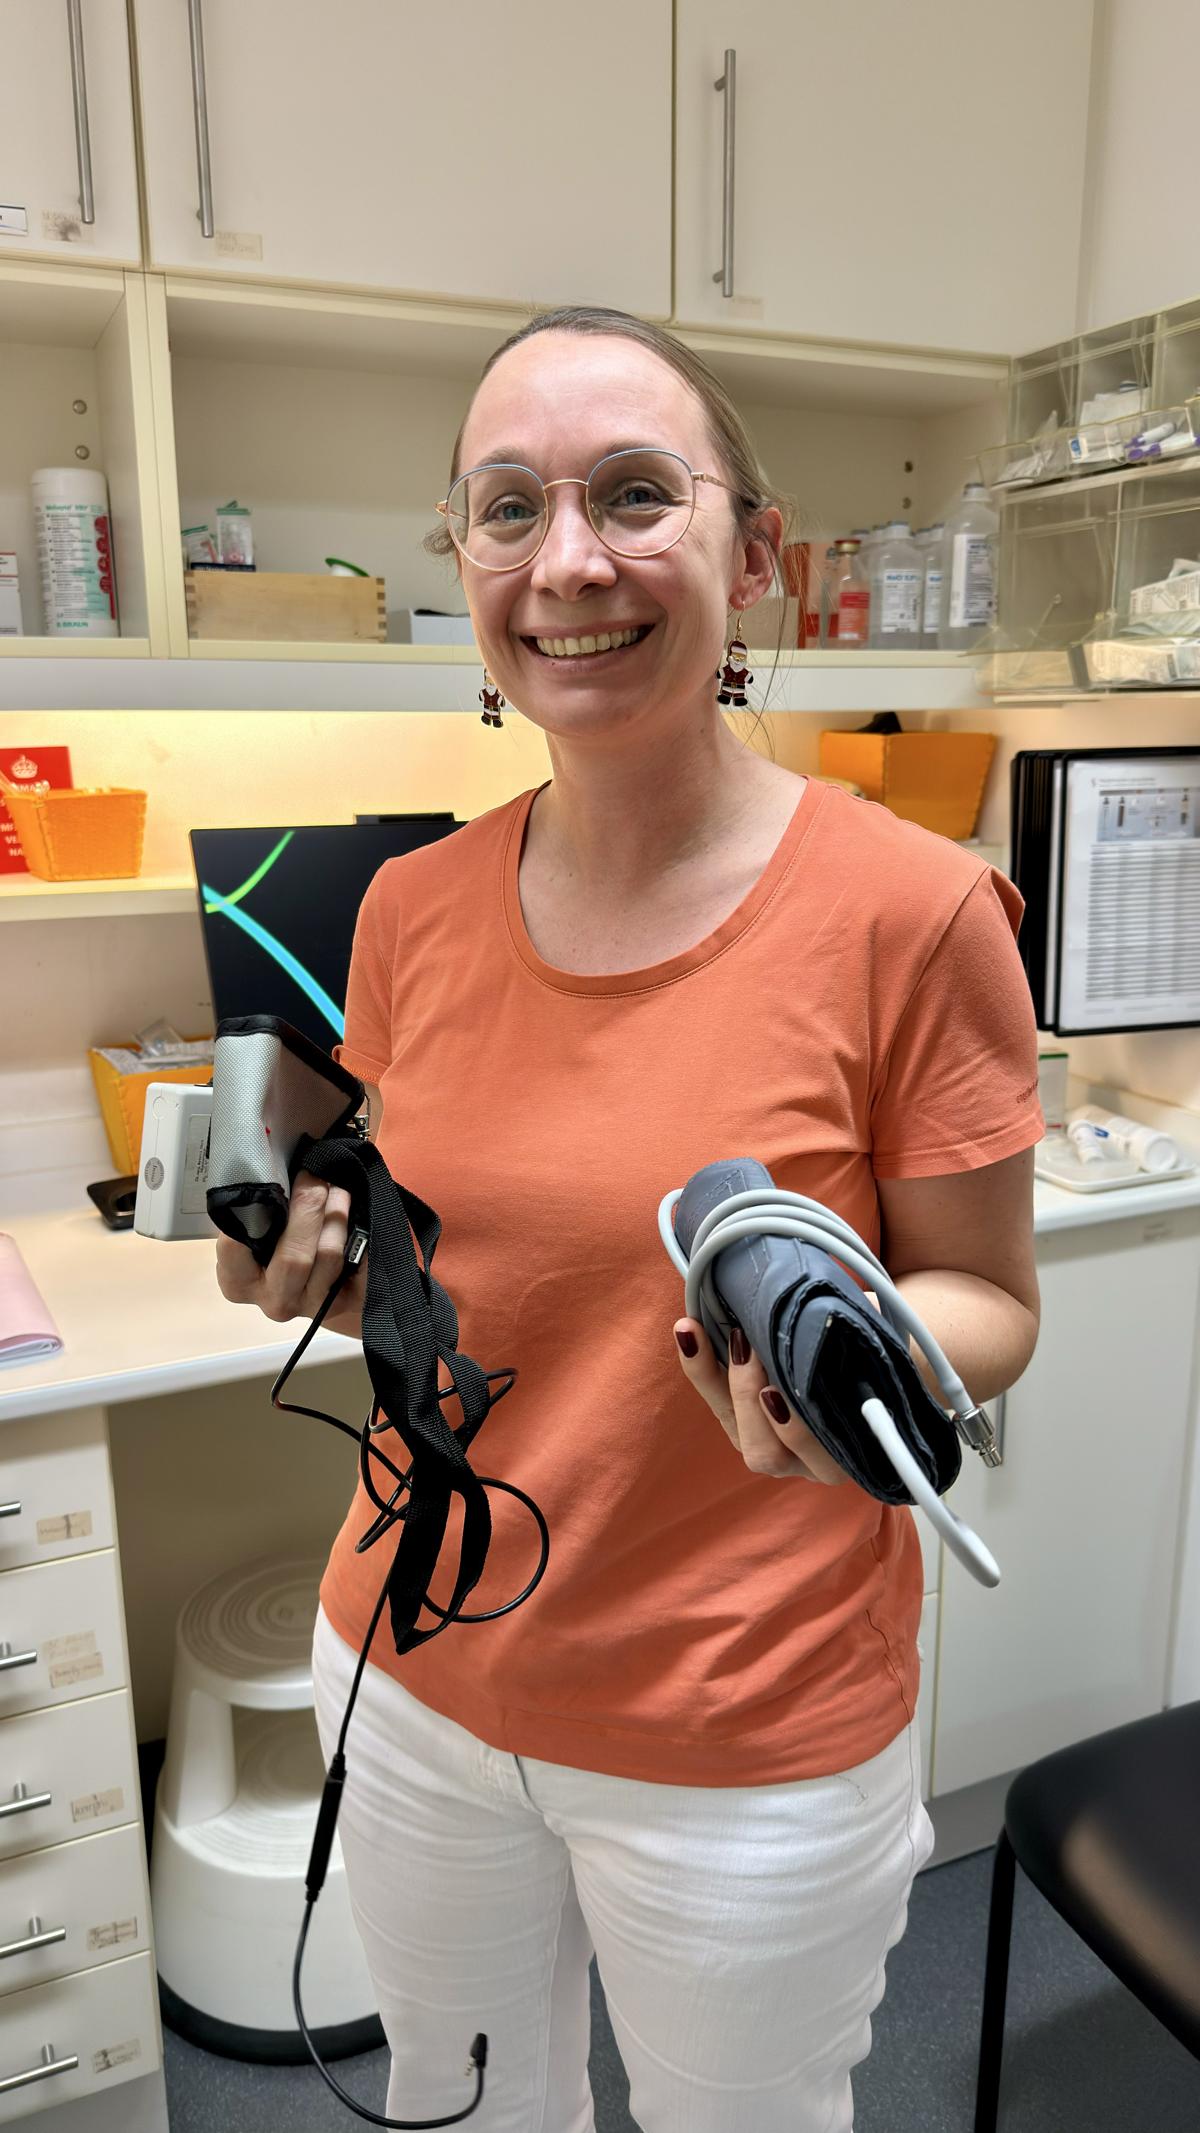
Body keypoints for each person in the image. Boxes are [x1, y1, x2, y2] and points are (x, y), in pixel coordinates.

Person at [215, 305, 1043, 2133]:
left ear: (755, 556)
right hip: (413, 1666)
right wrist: (306, 1267)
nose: (569, 561)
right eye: (509, 507)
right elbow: (457, 1268)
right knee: (467, 2108)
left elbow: (990, 1295)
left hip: (739, 1734)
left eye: (636, 494)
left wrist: (855, 1376)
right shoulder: (411, 907)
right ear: (464, 561)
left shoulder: (913, 913)